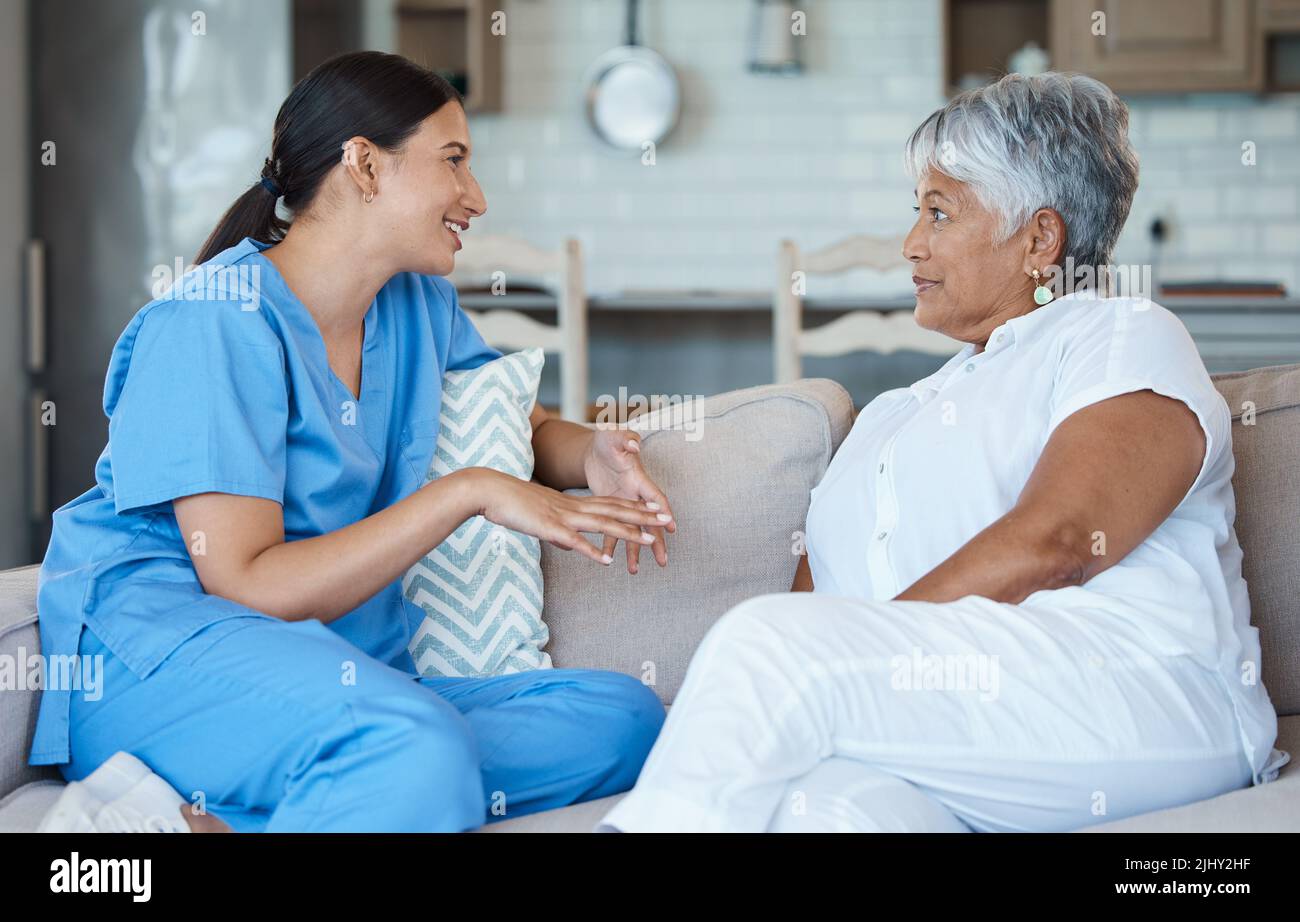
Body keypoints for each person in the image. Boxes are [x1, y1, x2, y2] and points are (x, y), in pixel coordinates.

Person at [598, 71, 1290, 833]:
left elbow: (1061, 540)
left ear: (1039, 239)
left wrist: (856, 659)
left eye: (939, 213)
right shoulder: (893, 414)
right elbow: (819, 610)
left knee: (766, 641)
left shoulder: (1117, 335)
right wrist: (851, 665)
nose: (910, 244)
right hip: (956, 735)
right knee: (816, 811)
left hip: (1137, 696)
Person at [30, 51, 674, 833]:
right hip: (163, 655)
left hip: (332, 666)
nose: (475, 196)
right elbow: (246, 584)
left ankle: (301, 797)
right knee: (417, 747)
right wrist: (468, 491)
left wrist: (594, 452)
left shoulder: (415, 303)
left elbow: (524, 427)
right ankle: (383, 767)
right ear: (365, 165)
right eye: (454, 161)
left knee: (625, 719)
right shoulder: (211, 323)